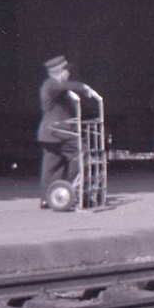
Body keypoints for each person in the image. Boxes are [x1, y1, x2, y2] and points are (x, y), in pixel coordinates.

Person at [36, 55, 99, 209]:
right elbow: (67, 86)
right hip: (59, 132)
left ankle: (48, 198)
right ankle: (71, 191)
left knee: (53, 166)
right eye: (66, 71)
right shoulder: (51, 84)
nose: (68, 74)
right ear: (59, 71)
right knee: (81, 153)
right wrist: (85, 87)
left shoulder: (57, 87)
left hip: (50, 134)